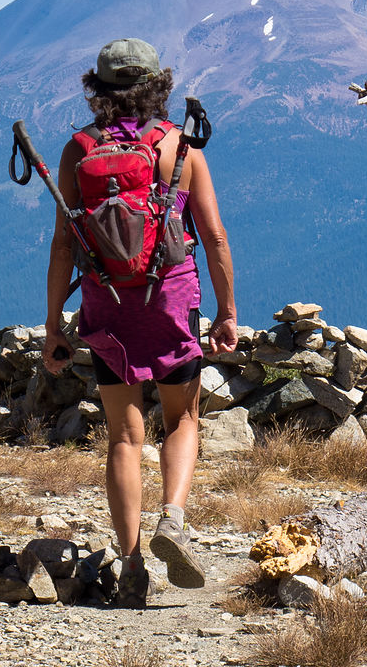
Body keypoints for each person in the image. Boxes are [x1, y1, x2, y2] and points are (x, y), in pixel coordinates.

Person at [40, 38, 238, 608]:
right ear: (159, 87)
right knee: (182, 419)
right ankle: (172, 518)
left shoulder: (78, 151)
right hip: (172, 301)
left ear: (97, 90)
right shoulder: (181, 147)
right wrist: (226, 312)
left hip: (108, 307)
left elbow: (61, 246)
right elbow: (215, 238)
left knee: (125, 438)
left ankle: (130, 566)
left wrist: (54, 326)